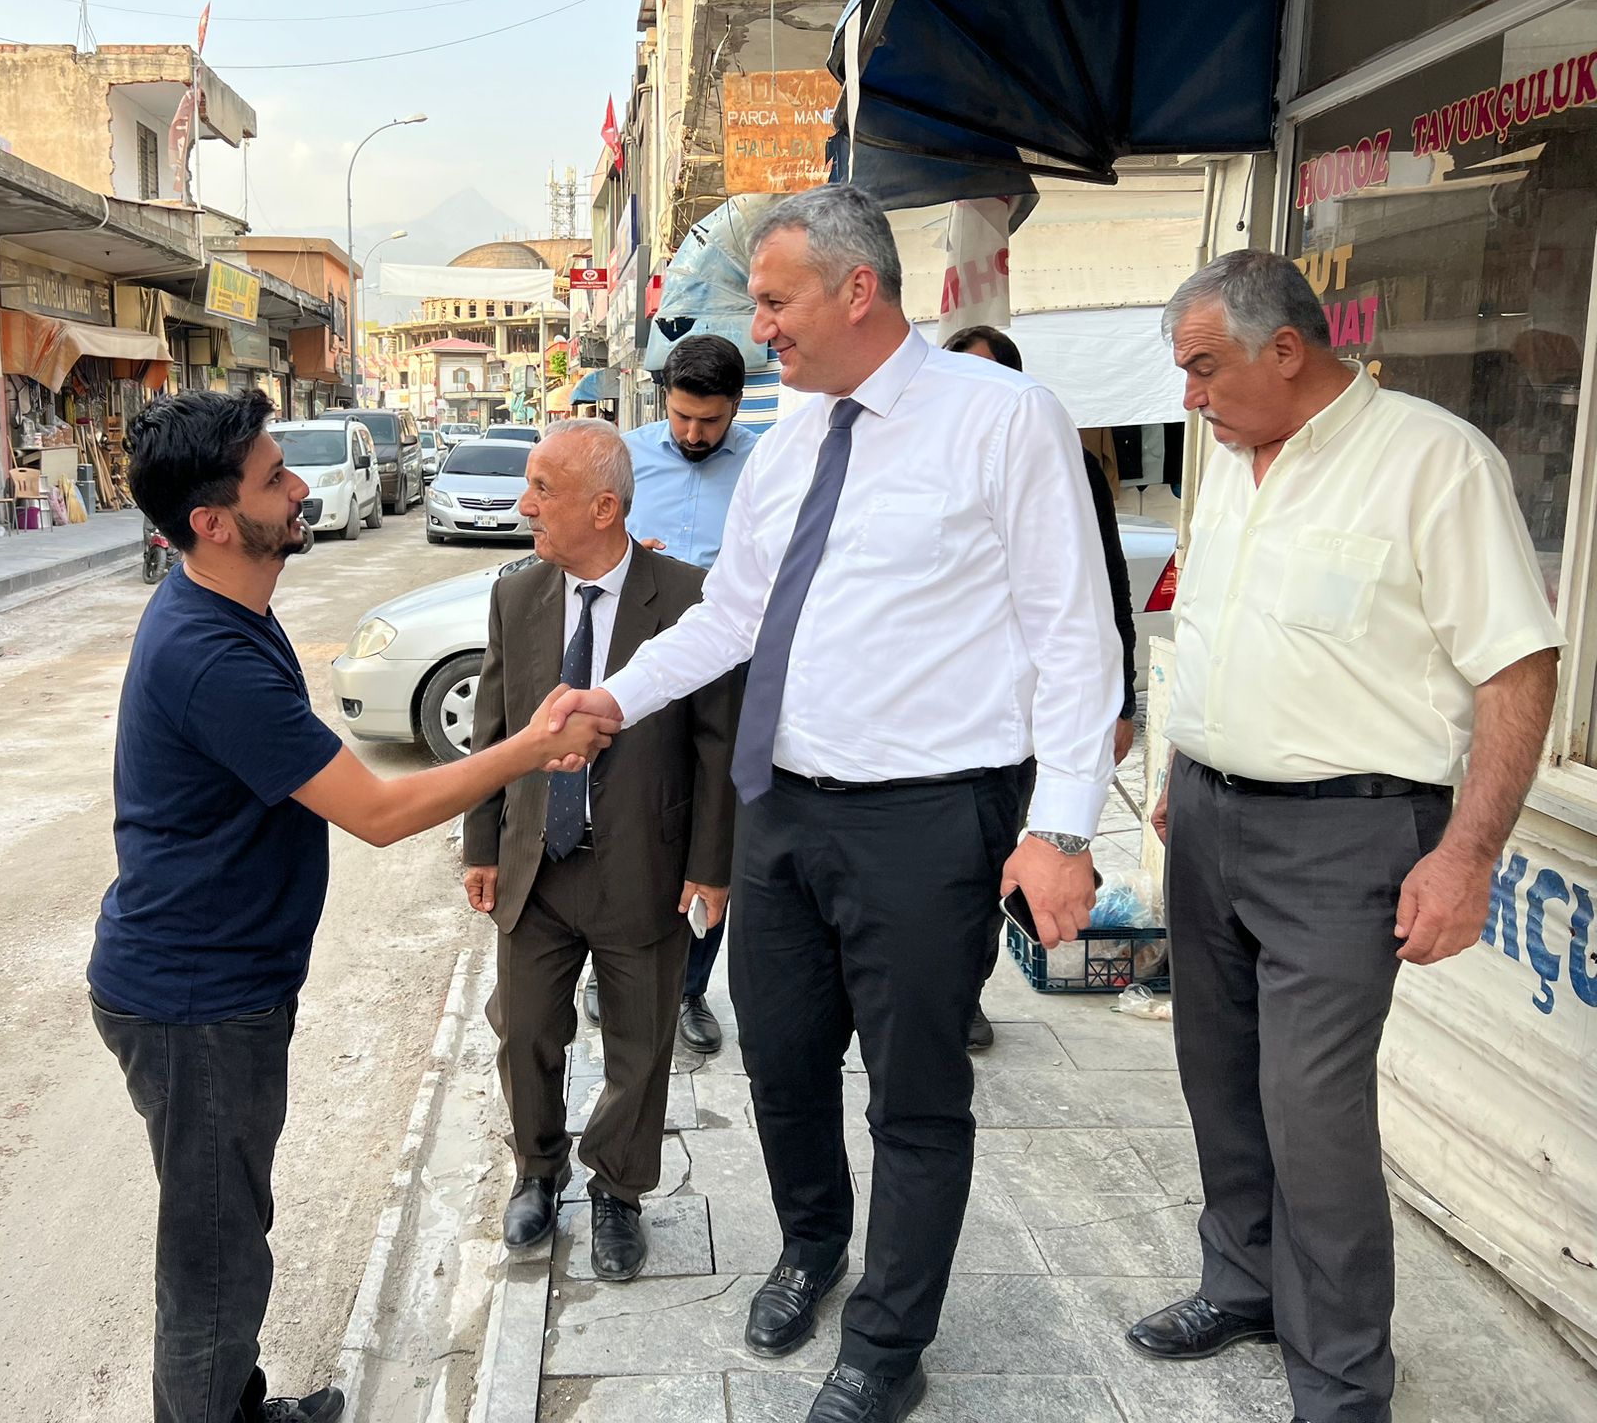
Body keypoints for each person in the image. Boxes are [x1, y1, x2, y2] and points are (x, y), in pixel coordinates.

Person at [550, 185, 1120, 1423]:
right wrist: (611, 699)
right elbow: (732, 618)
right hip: (782, 814)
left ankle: (886, 1341)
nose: (758, 333)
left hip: (930, 818)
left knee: (914, 1087)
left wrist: (1062, 826)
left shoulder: (1003, 420)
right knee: (784, 1063)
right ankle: (812, 1244)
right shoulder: (792, 440)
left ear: (856, 290)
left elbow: (1074, 634)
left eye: (772, 302)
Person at [87, 391, 611, 1423]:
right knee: (213, 1252)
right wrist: (529, 749)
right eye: (275, 478)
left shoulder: (227, 609)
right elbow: (372, 809)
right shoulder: (207, 653)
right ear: (210, 521)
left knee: (229, 1226)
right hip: (192, 1000)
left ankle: (234, 1407)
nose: (299, 490)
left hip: (223, 986)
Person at [1133, 253, 1560, 1423]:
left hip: (1348, 836)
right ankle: (1241, 1286)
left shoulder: (1430, 463)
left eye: (1204, 369)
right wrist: (1182, 762)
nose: (1190, 399)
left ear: (1287, 349)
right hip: (1209, 817)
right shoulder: (1226, 465)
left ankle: (1337, 1381)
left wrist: (1465, 855)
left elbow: (1517, 668)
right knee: (1217, 1079)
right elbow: (1216, 629)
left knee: (1309, 1111)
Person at [464, 419, 740, 1279]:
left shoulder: (689, 598)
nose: (525, 504)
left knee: (640, 1042)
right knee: (524, 1034)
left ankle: (618, 1188)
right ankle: (537, 1172)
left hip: (643, 868)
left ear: (605, 507)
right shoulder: (517, 594)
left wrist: (710, 865)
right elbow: (494, 726)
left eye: (544, 488)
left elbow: (716, 745)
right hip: (535, 869)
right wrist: (481, 846)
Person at [942, 323, 1138, 1052]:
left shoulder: (1064, 464)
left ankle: (965, 992)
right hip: (943, 710)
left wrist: (1122, 700)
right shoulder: (927, 458)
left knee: (993, 854)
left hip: (1026, 712)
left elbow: (1104, 590)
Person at [612, 330, 759, 1056]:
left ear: (736, 405)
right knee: (629, 820)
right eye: (681, 418)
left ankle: (691, 989)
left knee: (712, 824)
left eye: (710, 420)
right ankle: (613, 970)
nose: (694, 434)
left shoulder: (769, 465)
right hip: (642, 665)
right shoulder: (627, 457)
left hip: (732, 672)